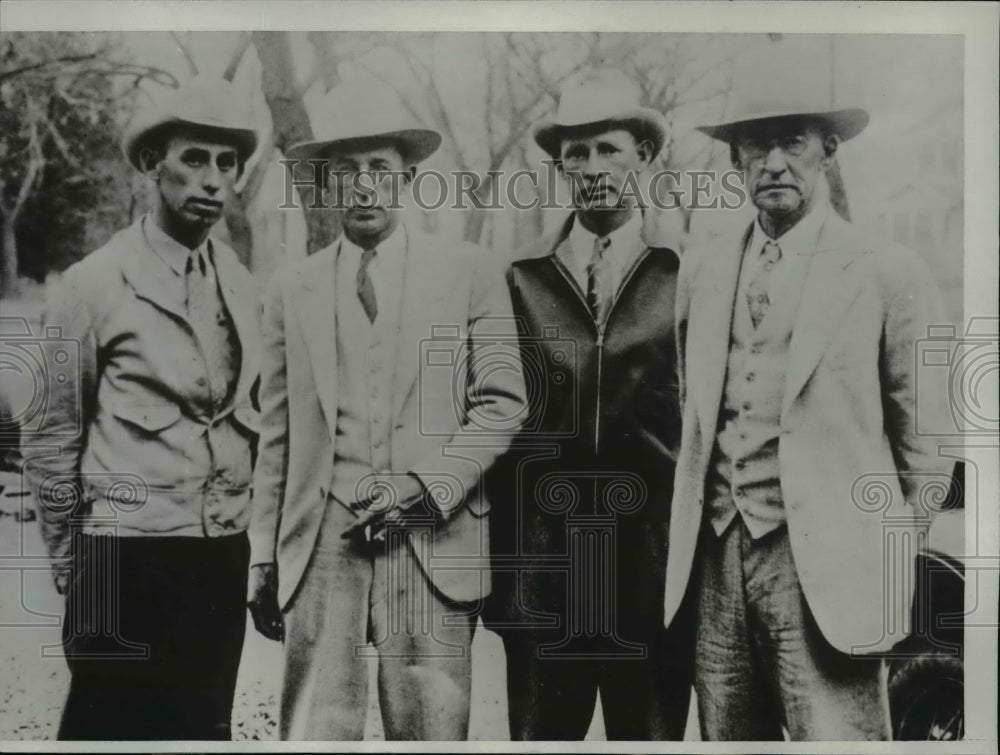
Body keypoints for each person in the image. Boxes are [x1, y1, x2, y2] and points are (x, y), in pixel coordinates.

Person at [663, 63, 953, 740]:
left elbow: (928, 449)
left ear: (828, 149)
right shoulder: (702, 271)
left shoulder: (886, 270)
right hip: (718, 551)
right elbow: (695, 410)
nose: (773, 163)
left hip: (829, 569)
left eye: (793, 142)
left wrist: (883, 562)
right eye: (756, 146)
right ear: (734, 159)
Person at [245, 81, 526, 741]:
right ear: (323, 185)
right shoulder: (294, 289)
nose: (364, 186)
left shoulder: (470, 272)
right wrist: (262, 555)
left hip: (431, 537)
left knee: (430, 727)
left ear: (407, 178)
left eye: (378, 168)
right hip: (322, 546)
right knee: (317, 728)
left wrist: (429, 488)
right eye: (346, 171)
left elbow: (502, 400)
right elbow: (277, 434)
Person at [22, 76, 261, 740]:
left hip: (217, 554)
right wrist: (78, 572)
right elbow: (50, 440)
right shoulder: (94, 283)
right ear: (155, 163)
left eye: (226, 162)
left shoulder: (240, 283)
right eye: (193, 158)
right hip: (123, 557)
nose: (212, 179)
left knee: (202, 730)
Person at [485, 68, 694, 740]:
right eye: (576, 154)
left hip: (654, 576)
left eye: (610, 149)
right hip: (547, 576)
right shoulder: (518, 278)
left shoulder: (686, 273)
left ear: (645, 156)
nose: (594, 168)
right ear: (559, 167)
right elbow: (491, 416)